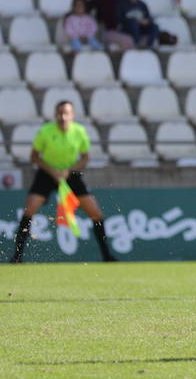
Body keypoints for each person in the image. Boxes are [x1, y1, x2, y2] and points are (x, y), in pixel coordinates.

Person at [10, 101, 117, 263]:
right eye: (60, 113)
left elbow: (85, 158)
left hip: (70, 174)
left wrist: (69, 171)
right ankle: (17, 256)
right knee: (30, 208)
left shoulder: (79, 131)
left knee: (95, 213)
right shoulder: (46, 131)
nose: (63, 117)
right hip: (47, 173)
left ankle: (107, 256)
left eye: (66, 113)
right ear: (55, 115)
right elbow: (34, 157)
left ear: (72, 115)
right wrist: (52, 171)